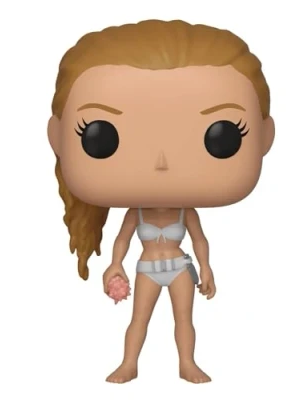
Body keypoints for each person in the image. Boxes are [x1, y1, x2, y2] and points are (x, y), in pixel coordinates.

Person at [47, 19, 275, 384]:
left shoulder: (186, 212)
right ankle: (129, 364)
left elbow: (199, 239)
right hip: (147, 269)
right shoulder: (136, 213)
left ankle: (187, 363)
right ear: (57, 136)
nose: (162, 163)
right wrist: (114, 265)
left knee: (184, 319)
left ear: (265, 136)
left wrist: (206, 268)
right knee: (139, 319)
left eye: (222, 137)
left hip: (180, 267)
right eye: (100, 136)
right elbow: (122, 240)